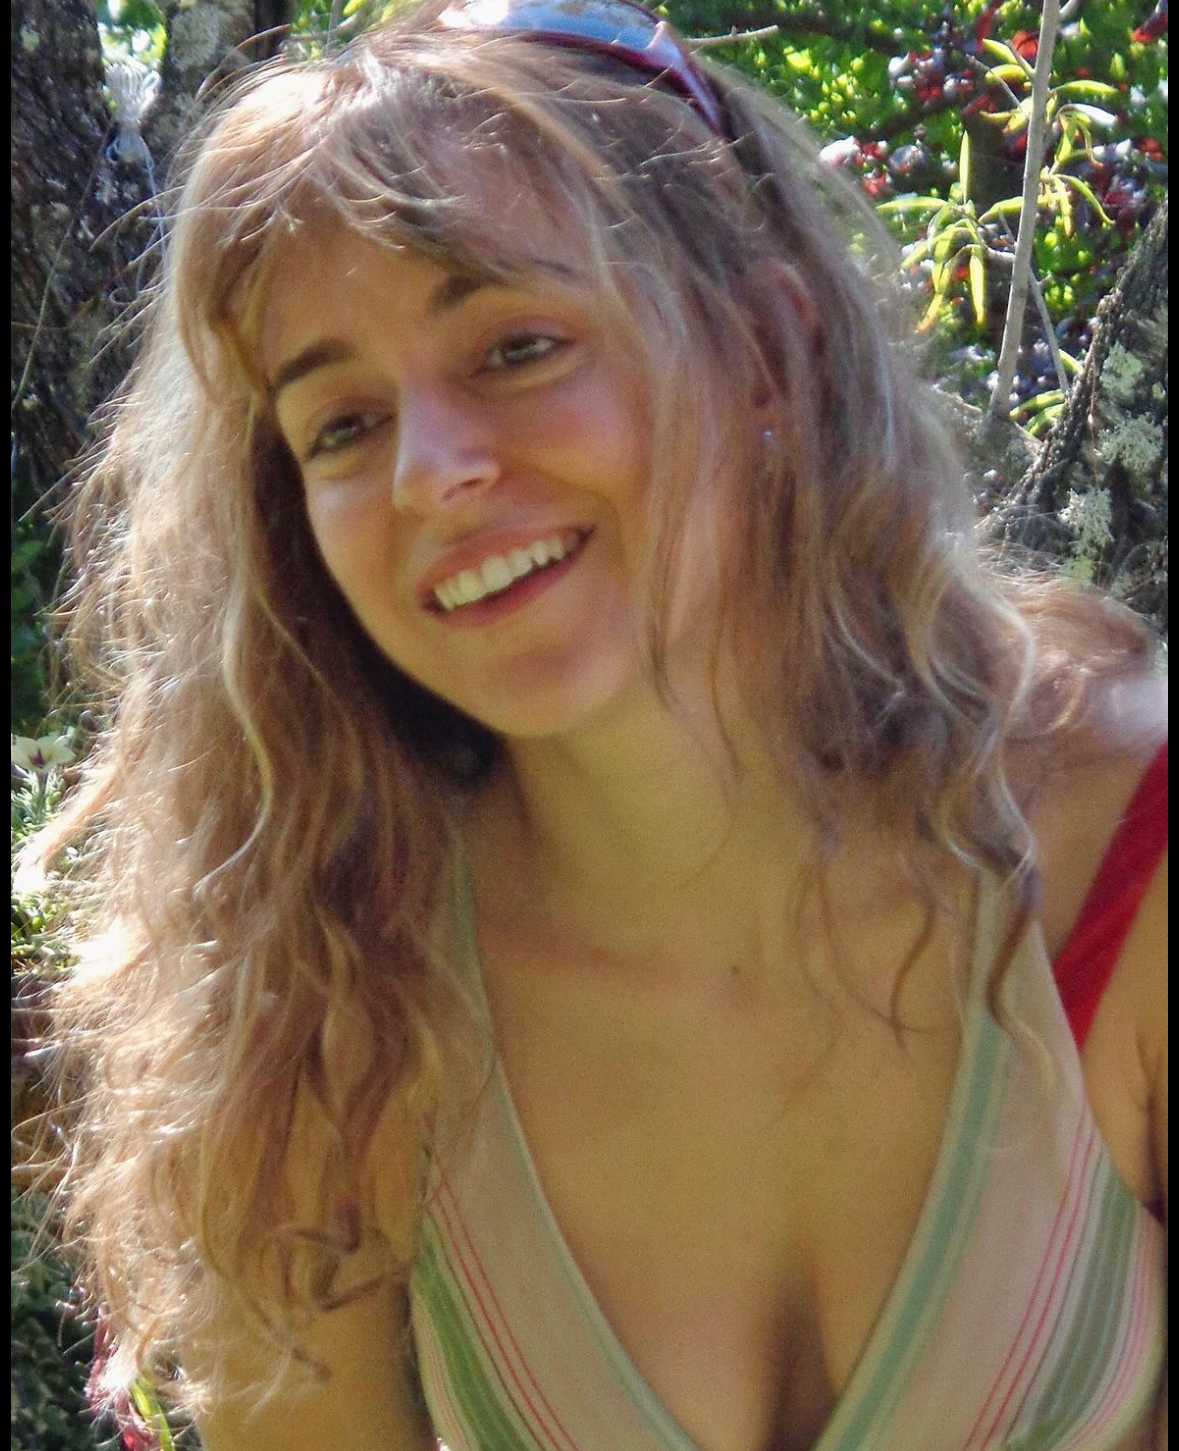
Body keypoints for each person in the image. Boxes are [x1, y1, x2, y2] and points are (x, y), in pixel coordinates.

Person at [22, 1, 1167, 1448]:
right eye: (342, 425)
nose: (429, 471)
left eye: (516, 347)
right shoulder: (325, 1002)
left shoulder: (1127, 851)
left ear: (768, 351)